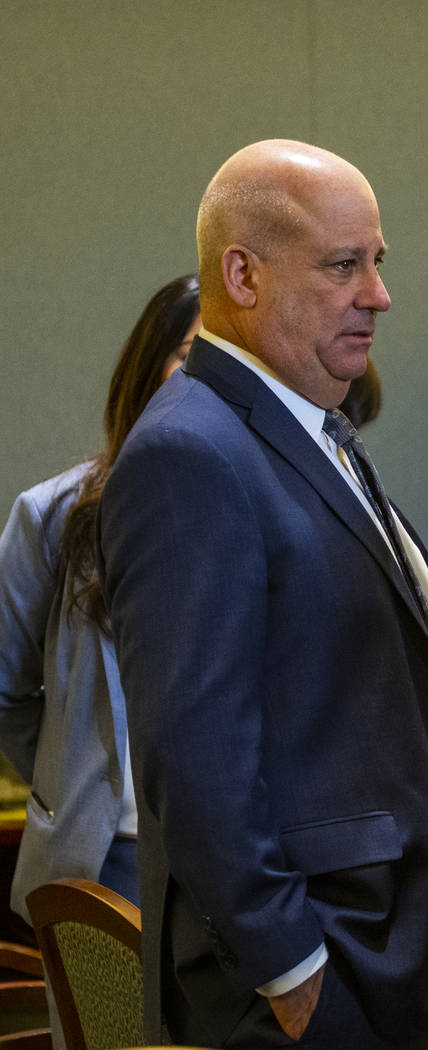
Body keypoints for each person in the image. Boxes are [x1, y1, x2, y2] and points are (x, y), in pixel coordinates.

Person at [96, 140, 428, 1050]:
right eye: (343, 265)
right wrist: (293, 972)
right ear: (242, 275)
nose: (378, 294)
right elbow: (193, 756)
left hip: (384, 951)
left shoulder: (312, 432)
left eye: (377, 262)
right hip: (305, 985)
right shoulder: (189, 453)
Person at [0, 273, 200, 1041]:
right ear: (147, 365)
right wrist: (71, 768)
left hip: (229, 862)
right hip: (103, 853)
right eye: (189, 355)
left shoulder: (258, 508)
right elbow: (8, 691)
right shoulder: (53, 516)